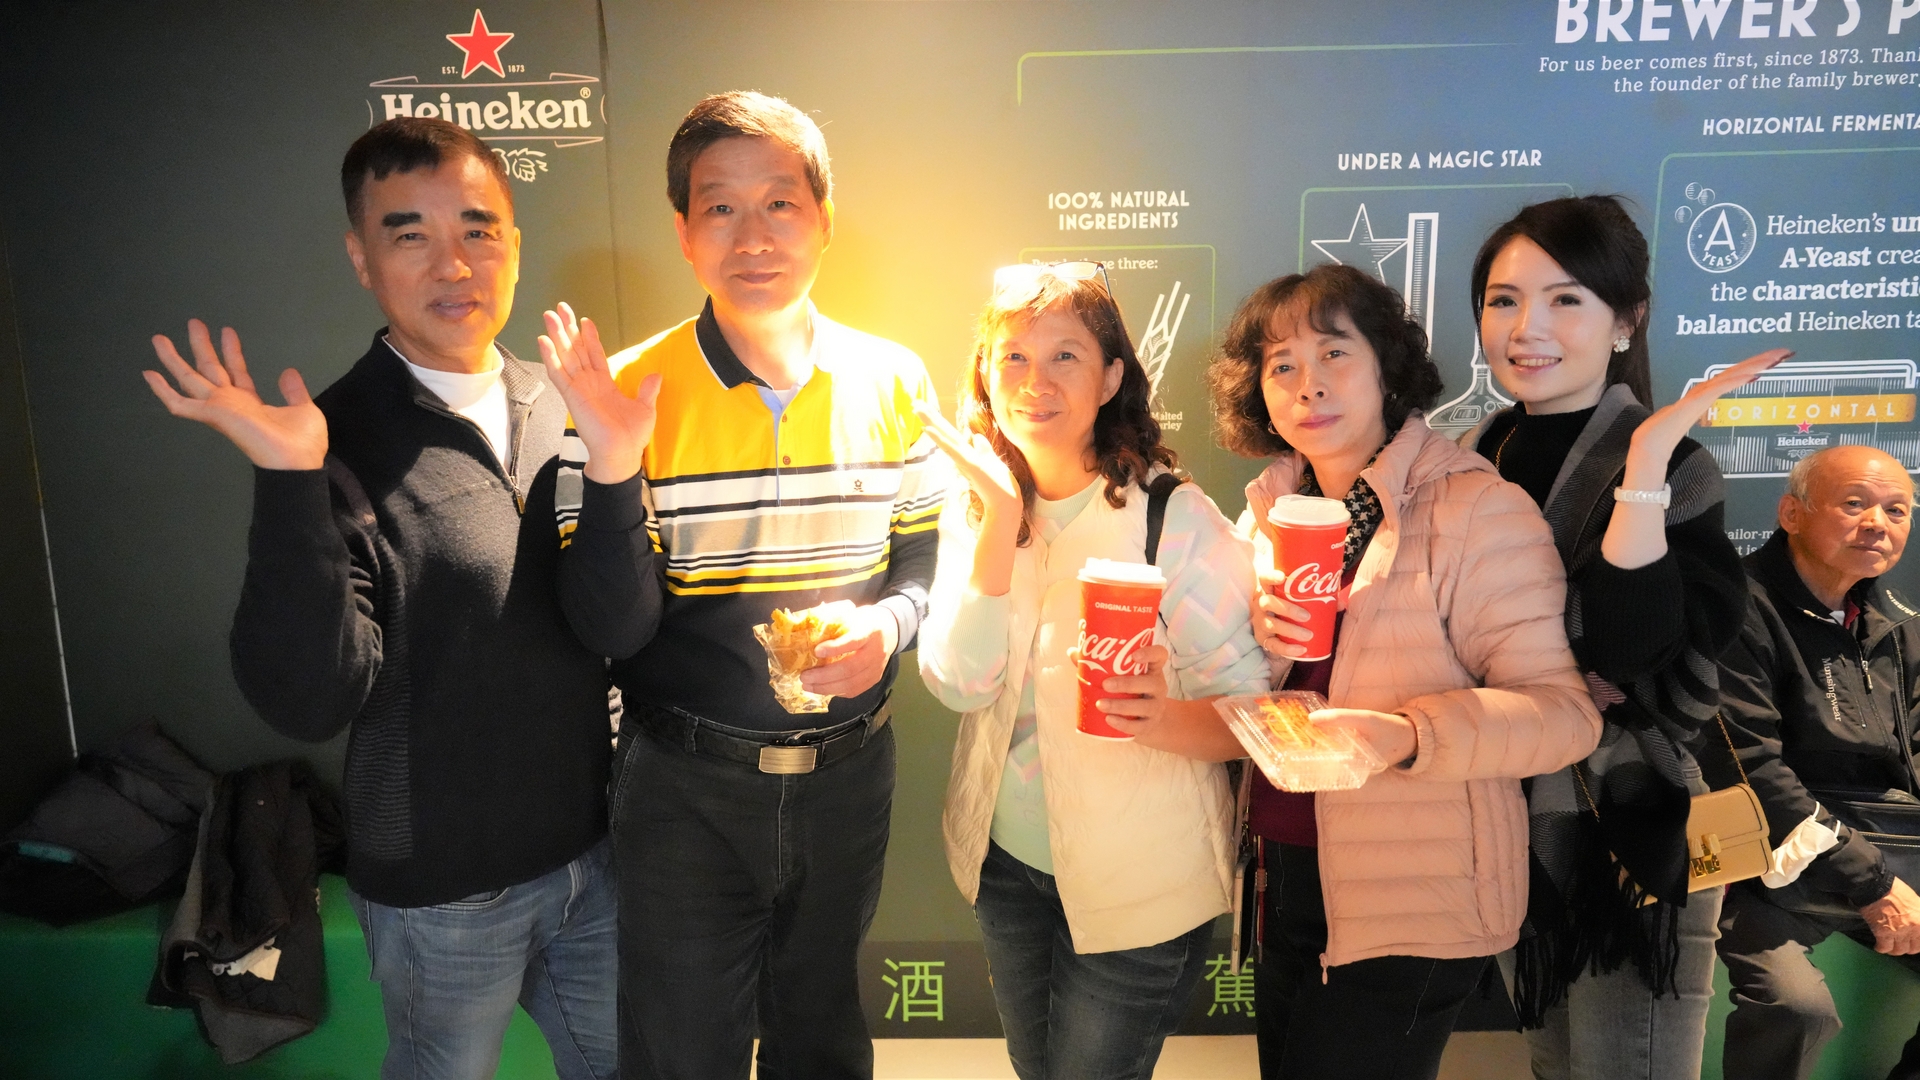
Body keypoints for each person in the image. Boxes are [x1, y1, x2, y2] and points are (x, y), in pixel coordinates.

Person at [140, 118, 617, 1080]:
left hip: (595, 862)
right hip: (443, 896)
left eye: (478, 229)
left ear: (515, 244)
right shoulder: (330, 437)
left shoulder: (571, 406)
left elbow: (615, 618)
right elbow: (309, 698)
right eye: (410, 235)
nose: (454, 264)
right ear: (361, 258)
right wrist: (291, 479)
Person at [532, 91, 944, 1080]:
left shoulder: (893, 380)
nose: (752, 236)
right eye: (720, 207)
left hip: (851, 776)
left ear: (824, 219)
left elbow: (926, 564)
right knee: (680, 1051)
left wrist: (887, 631)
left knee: (823, 1035)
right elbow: (612, 628)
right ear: (683, 231)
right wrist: (615, 464)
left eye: (780, 204)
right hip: (684, 787)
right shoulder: (617, 391)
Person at [1206, 261, 1602, 1080]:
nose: (1309, 385)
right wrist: (1258, 643)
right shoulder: (1267, 515)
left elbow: (1565, 717)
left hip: (1415, 898)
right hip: (1285, 879)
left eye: (1334, 354)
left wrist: (1405, 735)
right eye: (1282, 366)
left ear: (1387, 368)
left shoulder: (1473, 506)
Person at [915, 263, 1268, 1080]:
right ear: (984, 372)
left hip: (1140, 883)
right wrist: (1000, 520)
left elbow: (1254, 715)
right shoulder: (974, 507)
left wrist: (1161, 714)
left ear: (1111, 378)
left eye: (1064, 356)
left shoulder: (1172, 517)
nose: (1033, 381)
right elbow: (961, 684)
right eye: (1012, 356)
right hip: (1007, 867)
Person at [1458, 194, 1783, 1080]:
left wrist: (1643, 466)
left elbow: (1633, 652)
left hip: (1628, 827)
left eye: (1566, 299)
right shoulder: (1471, 457)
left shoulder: (1676, 463)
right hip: (1503, 815)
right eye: (1503, 300)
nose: (1527, 327)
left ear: (1626, 320)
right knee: (1554, 1065)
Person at [1711, 444, 1920, 1080]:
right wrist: (1872, 882)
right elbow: (1747, 765)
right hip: (1760, 858)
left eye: (1896, 510)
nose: (1877, 523)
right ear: (1791, 514)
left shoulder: (1897, 625)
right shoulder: (1733, 608)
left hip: (1882, 846)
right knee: (1795, 1008)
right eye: (1854, 504)